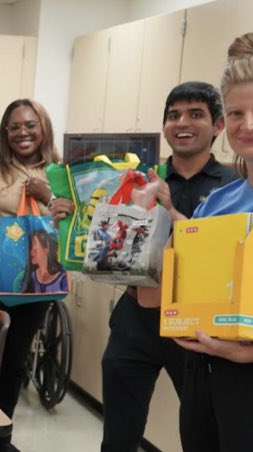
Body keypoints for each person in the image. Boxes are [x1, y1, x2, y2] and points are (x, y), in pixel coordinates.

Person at [100, 80, 238, 452]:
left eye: (196, 114)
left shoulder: (233, 186)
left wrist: (171, 212)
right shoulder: (140, 179)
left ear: (218, 125)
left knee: (202, 433)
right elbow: (111, 247)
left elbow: (225, 257)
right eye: (173, 115)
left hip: (197, 326)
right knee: (118, 434)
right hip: (135, 317)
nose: (182, 123)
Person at [136, 33, 253, 452]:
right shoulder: (220, 202)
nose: (248, 125)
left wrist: (246, 355)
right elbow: (158, 296)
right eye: (238, 112)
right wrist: (139, 232)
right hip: (204, 371)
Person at [0, 99, 74, 452]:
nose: (22, 132)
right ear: (5, 132)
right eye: (14, 126)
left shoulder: (61, 173)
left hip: (35, 279)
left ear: (43, 127)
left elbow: (74, 227)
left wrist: (48, 196)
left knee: (15, 357)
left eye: (30, 125)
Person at [23, 230, 67, 294]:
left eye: (35, 250)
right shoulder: (32, 277)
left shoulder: (62, 279)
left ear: (45, 251)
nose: (31, 253)